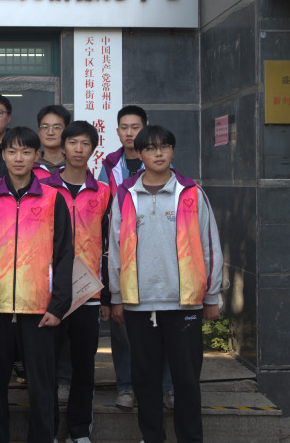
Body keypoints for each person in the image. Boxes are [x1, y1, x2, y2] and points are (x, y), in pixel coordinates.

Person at [108, 125, 223, 443]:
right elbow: (115, 247)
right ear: (139, 153)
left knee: (186, 380)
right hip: (138, 303)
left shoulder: (191, 192)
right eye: (150, 148)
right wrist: (116, 295)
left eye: (164, 147)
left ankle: (190, 438)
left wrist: (212, 295)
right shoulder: (126, 195)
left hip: (184, 303)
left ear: (173, 151)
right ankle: (152, 437)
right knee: (144, 379)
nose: (158, 153)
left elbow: (210, 244)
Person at [0, 126, 74, 443]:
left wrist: (58, 306)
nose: (18, 158)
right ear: (3, 156)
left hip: (40, 310)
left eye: (26, 152)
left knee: (42, 387)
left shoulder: (53, 199)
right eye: (12, 151)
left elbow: (64, 255)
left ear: (37, 156)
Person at [97, 104, 174, 410]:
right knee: (122, 328)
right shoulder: (108, 166)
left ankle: (167, 388)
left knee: (165, 329)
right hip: (120, 251)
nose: (130, 133)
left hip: (160, 256)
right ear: (117, 131)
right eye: (124, 127)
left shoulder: (159, 166)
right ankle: (126, 386)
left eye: (135, 127)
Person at [40, 121, 111, 443]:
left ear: (93, 149)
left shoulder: (104, 192)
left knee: (84, 366)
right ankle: (49, 429)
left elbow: (110, 245)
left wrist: (107, 295)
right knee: (48, 367)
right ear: (63, 146)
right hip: (49, 292)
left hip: (88, 293)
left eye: (85, 143)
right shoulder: (44, 188)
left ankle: (80, 430)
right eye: (73, 142)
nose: (78, 149)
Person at [34, 105, 71, 178]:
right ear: (39, 132)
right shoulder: (29, 167)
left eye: (56, 128)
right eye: (45, 127)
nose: (50, 132)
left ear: (66, 131)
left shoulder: (76, 167)